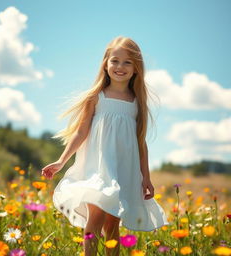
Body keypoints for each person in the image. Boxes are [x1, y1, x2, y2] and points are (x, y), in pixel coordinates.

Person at [41, 36, 169, 256]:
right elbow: (81, 131)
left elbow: (141, 142)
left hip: (122, 171)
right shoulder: (96, 97)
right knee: (95, 220)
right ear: (105, 63)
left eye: (127, 62)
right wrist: (62, 160)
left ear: (136, 67)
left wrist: (145, 177)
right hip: (97, 169)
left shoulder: (137, 102)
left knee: (112, 226)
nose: (120, 67)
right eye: (115, 61)